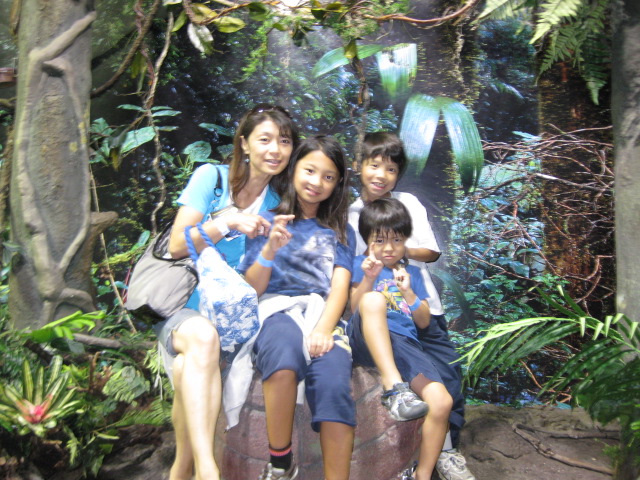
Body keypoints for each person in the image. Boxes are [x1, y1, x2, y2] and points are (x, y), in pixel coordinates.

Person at [155, 104, 299, 480]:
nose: (275, 149)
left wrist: (270, 250)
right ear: (244, 144)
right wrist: (227, 222)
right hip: (182, 307)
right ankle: (208, 470)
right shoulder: (212, 178)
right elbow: (176, 245)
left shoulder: (275, 205)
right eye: (265, 139)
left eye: (284, 141)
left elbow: (252, 287)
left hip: (225, 317)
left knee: (188, 367)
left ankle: (182, 469)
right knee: (203, 339)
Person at [348, 132, 475, 480]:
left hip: (420, 305)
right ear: (358, 166)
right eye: (374, 165)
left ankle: (447, 451)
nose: (381, 175)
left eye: (390, 169)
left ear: (398, 174)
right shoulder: (351, 213)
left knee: (447, 374)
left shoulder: (408, 202)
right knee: (415, 372)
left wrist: (398, 250)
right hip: (380, 313)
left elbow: (431, 252)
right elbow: (353, 270)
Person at [238, 135, 355, 480]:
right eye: (310, 170)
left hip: (322, 313)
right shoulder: (266, 220)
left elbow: (340, 287)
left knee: (333, 380)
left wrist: (323, 329)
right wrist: (270, 249)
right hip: (275, 308)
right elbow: (252, 288)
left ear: (337, 184)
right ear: (293, 170)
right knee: (283, 351)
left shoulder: (340, 231)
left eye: (328, 176)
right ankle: (280, 463)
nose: (317, 182)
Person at [348, 197, 452, 480]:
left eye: (396, 240)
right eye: (380, 240)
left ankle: (422, 474)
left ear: (406, 239)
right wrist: (369, 279)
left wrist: (408, 292)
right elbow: (354, 309)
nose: (388, 248)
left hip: (404, 344)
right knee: (373, 301)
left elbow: (423, 321)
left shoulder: (412, 273)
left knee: (441, 401)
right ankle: (394, 388)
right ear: (367, 239)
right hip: (365, 338)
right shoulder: (358, 264)